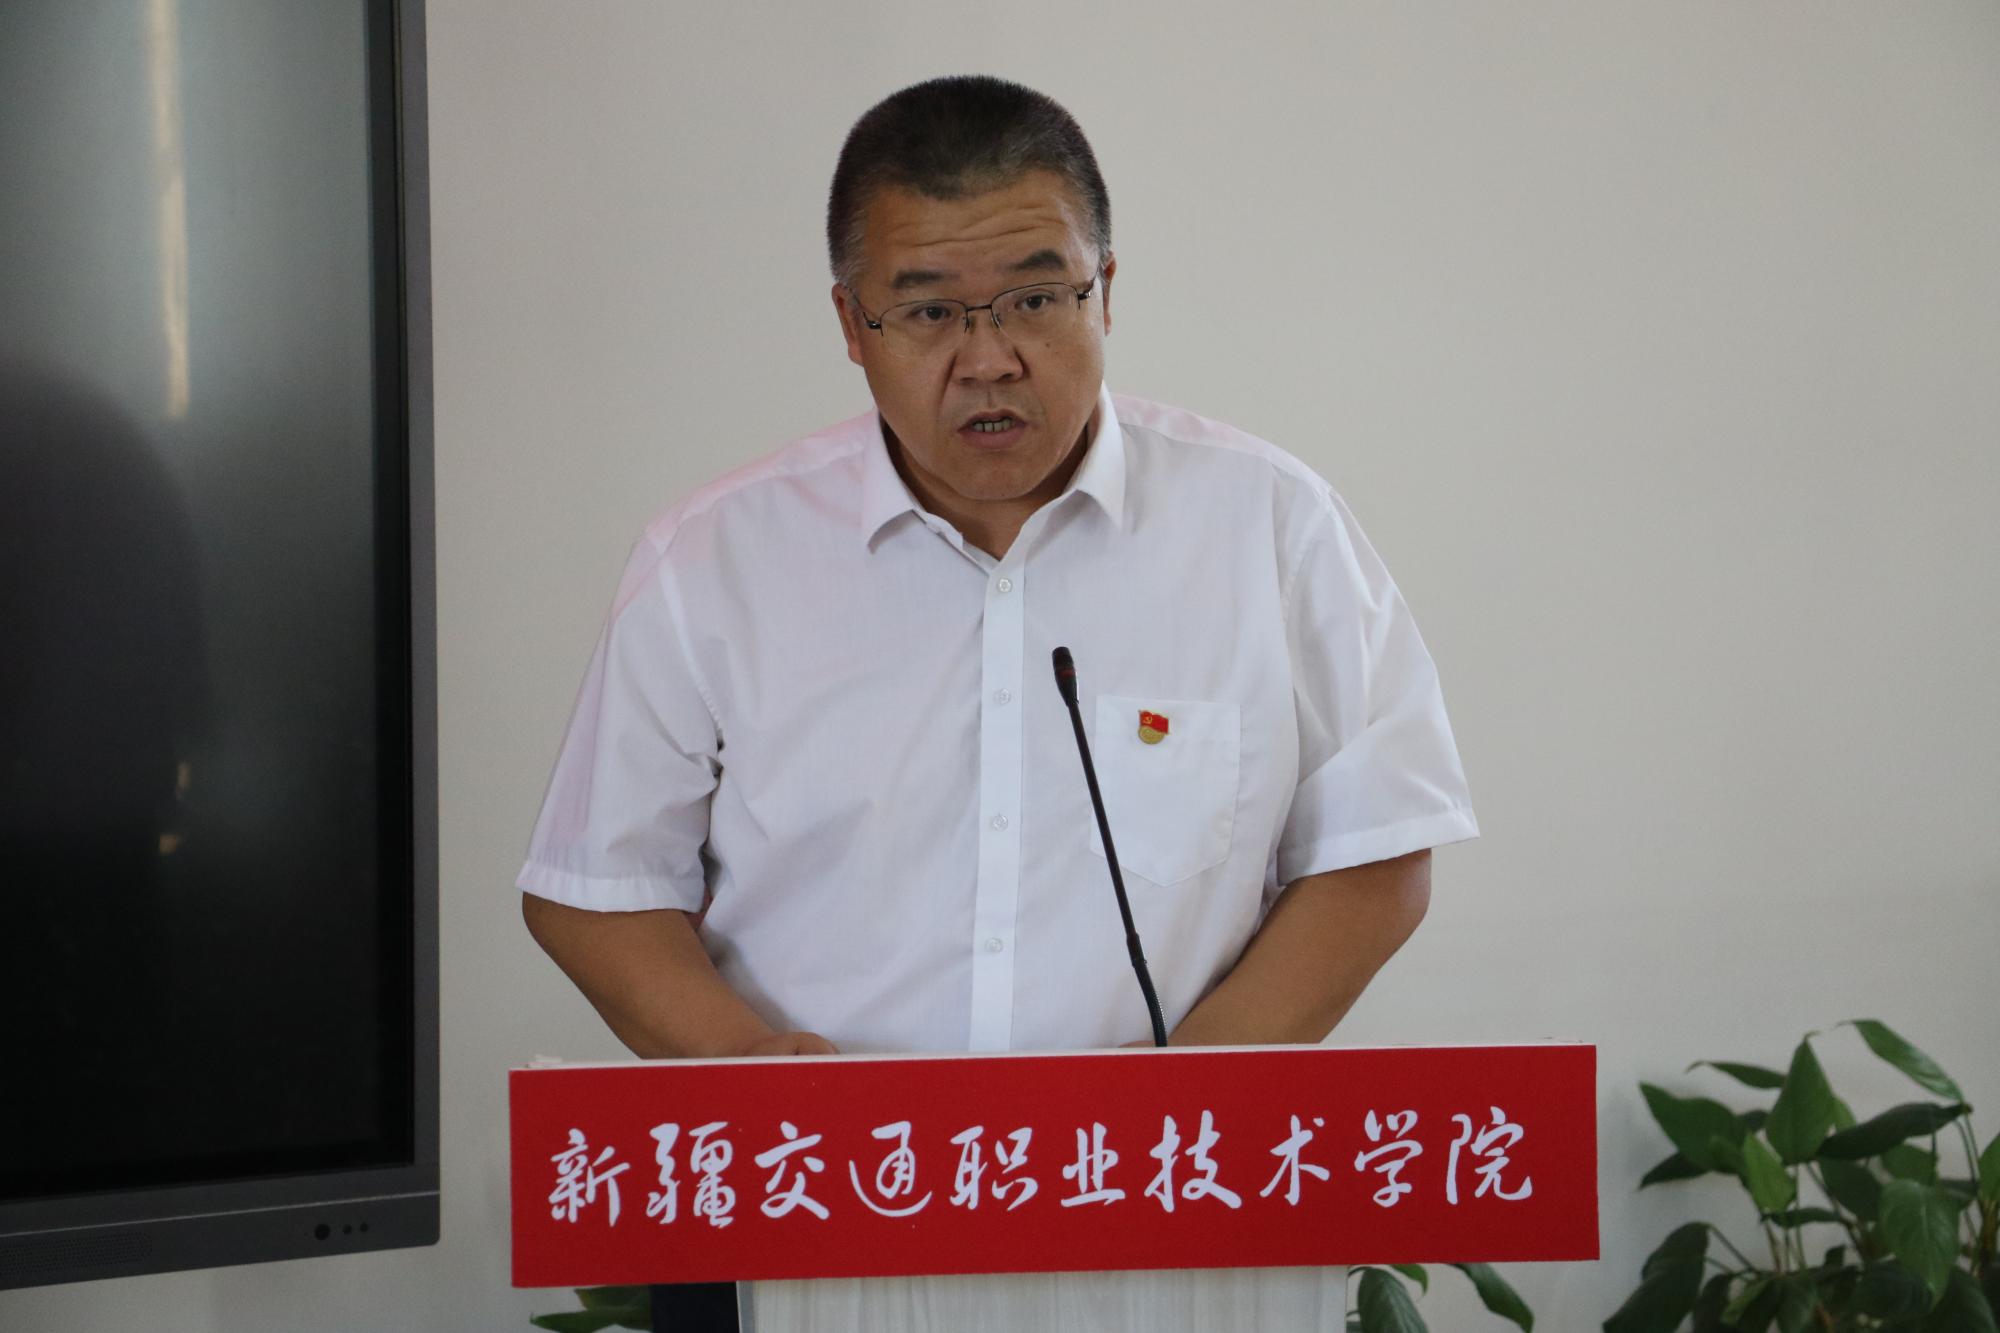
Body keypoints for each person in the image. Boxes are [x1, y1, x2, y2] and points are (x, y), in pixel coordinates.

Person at [517, 74, 1477, 1328]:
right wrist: (752, 1071)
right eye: (927, 311)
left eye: (1035, 297)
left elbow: (1375, 852)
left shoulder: (1269, 525)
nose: (989, 358)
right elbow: (595, 890)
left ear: (1105, 290)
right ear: (851, 323)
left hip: (1176, 1230)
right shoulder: (713, 561)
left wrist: (1184, 1100)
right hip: (812, 1222)